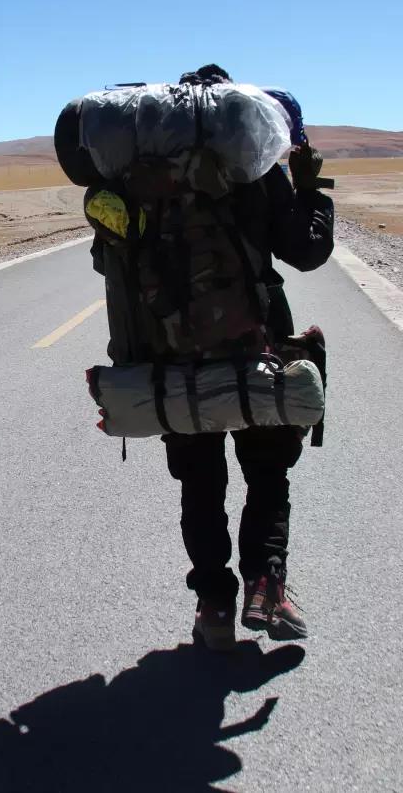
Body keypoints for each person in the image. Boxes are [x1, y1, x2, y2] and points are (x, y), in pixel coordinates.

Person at [160, 65, 334, 649]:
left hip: (175, 355)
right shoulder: (256, 169)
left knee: (200, 485)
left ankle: (214, 606)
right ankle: (266, 585)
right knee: (267, 473)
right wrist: (308, 188)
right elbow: (307, 251)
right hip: (257, 343)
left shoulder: (147, 178)